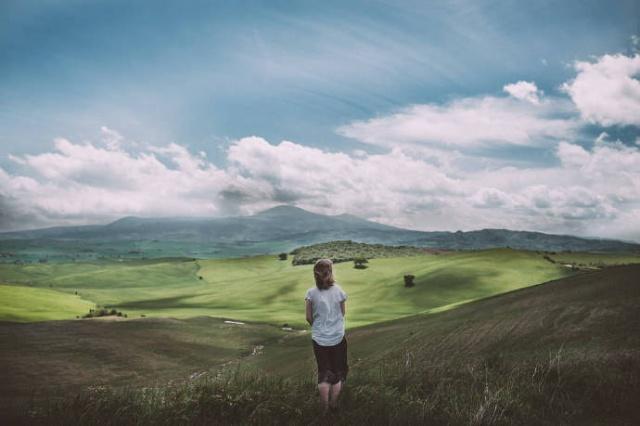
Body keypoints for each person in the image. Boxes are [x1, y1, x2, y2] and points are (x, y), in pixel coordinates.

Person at [304, 258, 348, 411]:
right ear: (330, 272)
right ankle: (334, 404)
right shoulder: (339, 290)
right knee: (338, 371)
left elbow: (308, 317)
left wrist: (318, 328)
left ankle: (324, 409)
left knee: (324, 371)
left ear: (315, 274)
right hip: (337, 337)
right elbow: (343, 313)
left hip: (319, 338)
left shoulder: (310, 293)